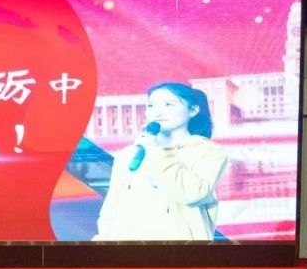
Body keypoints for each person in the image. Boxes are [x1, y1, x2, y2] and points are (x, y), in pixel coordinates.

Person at [94, 82, 229, 241]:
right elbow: (112, 207)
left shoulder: (209, 152)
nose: (157, 112)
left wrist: (156, 152)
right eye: (151, 106)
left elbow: (191, 193)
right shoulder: (128, 154)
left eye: (168, 105)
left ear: (193, 110)